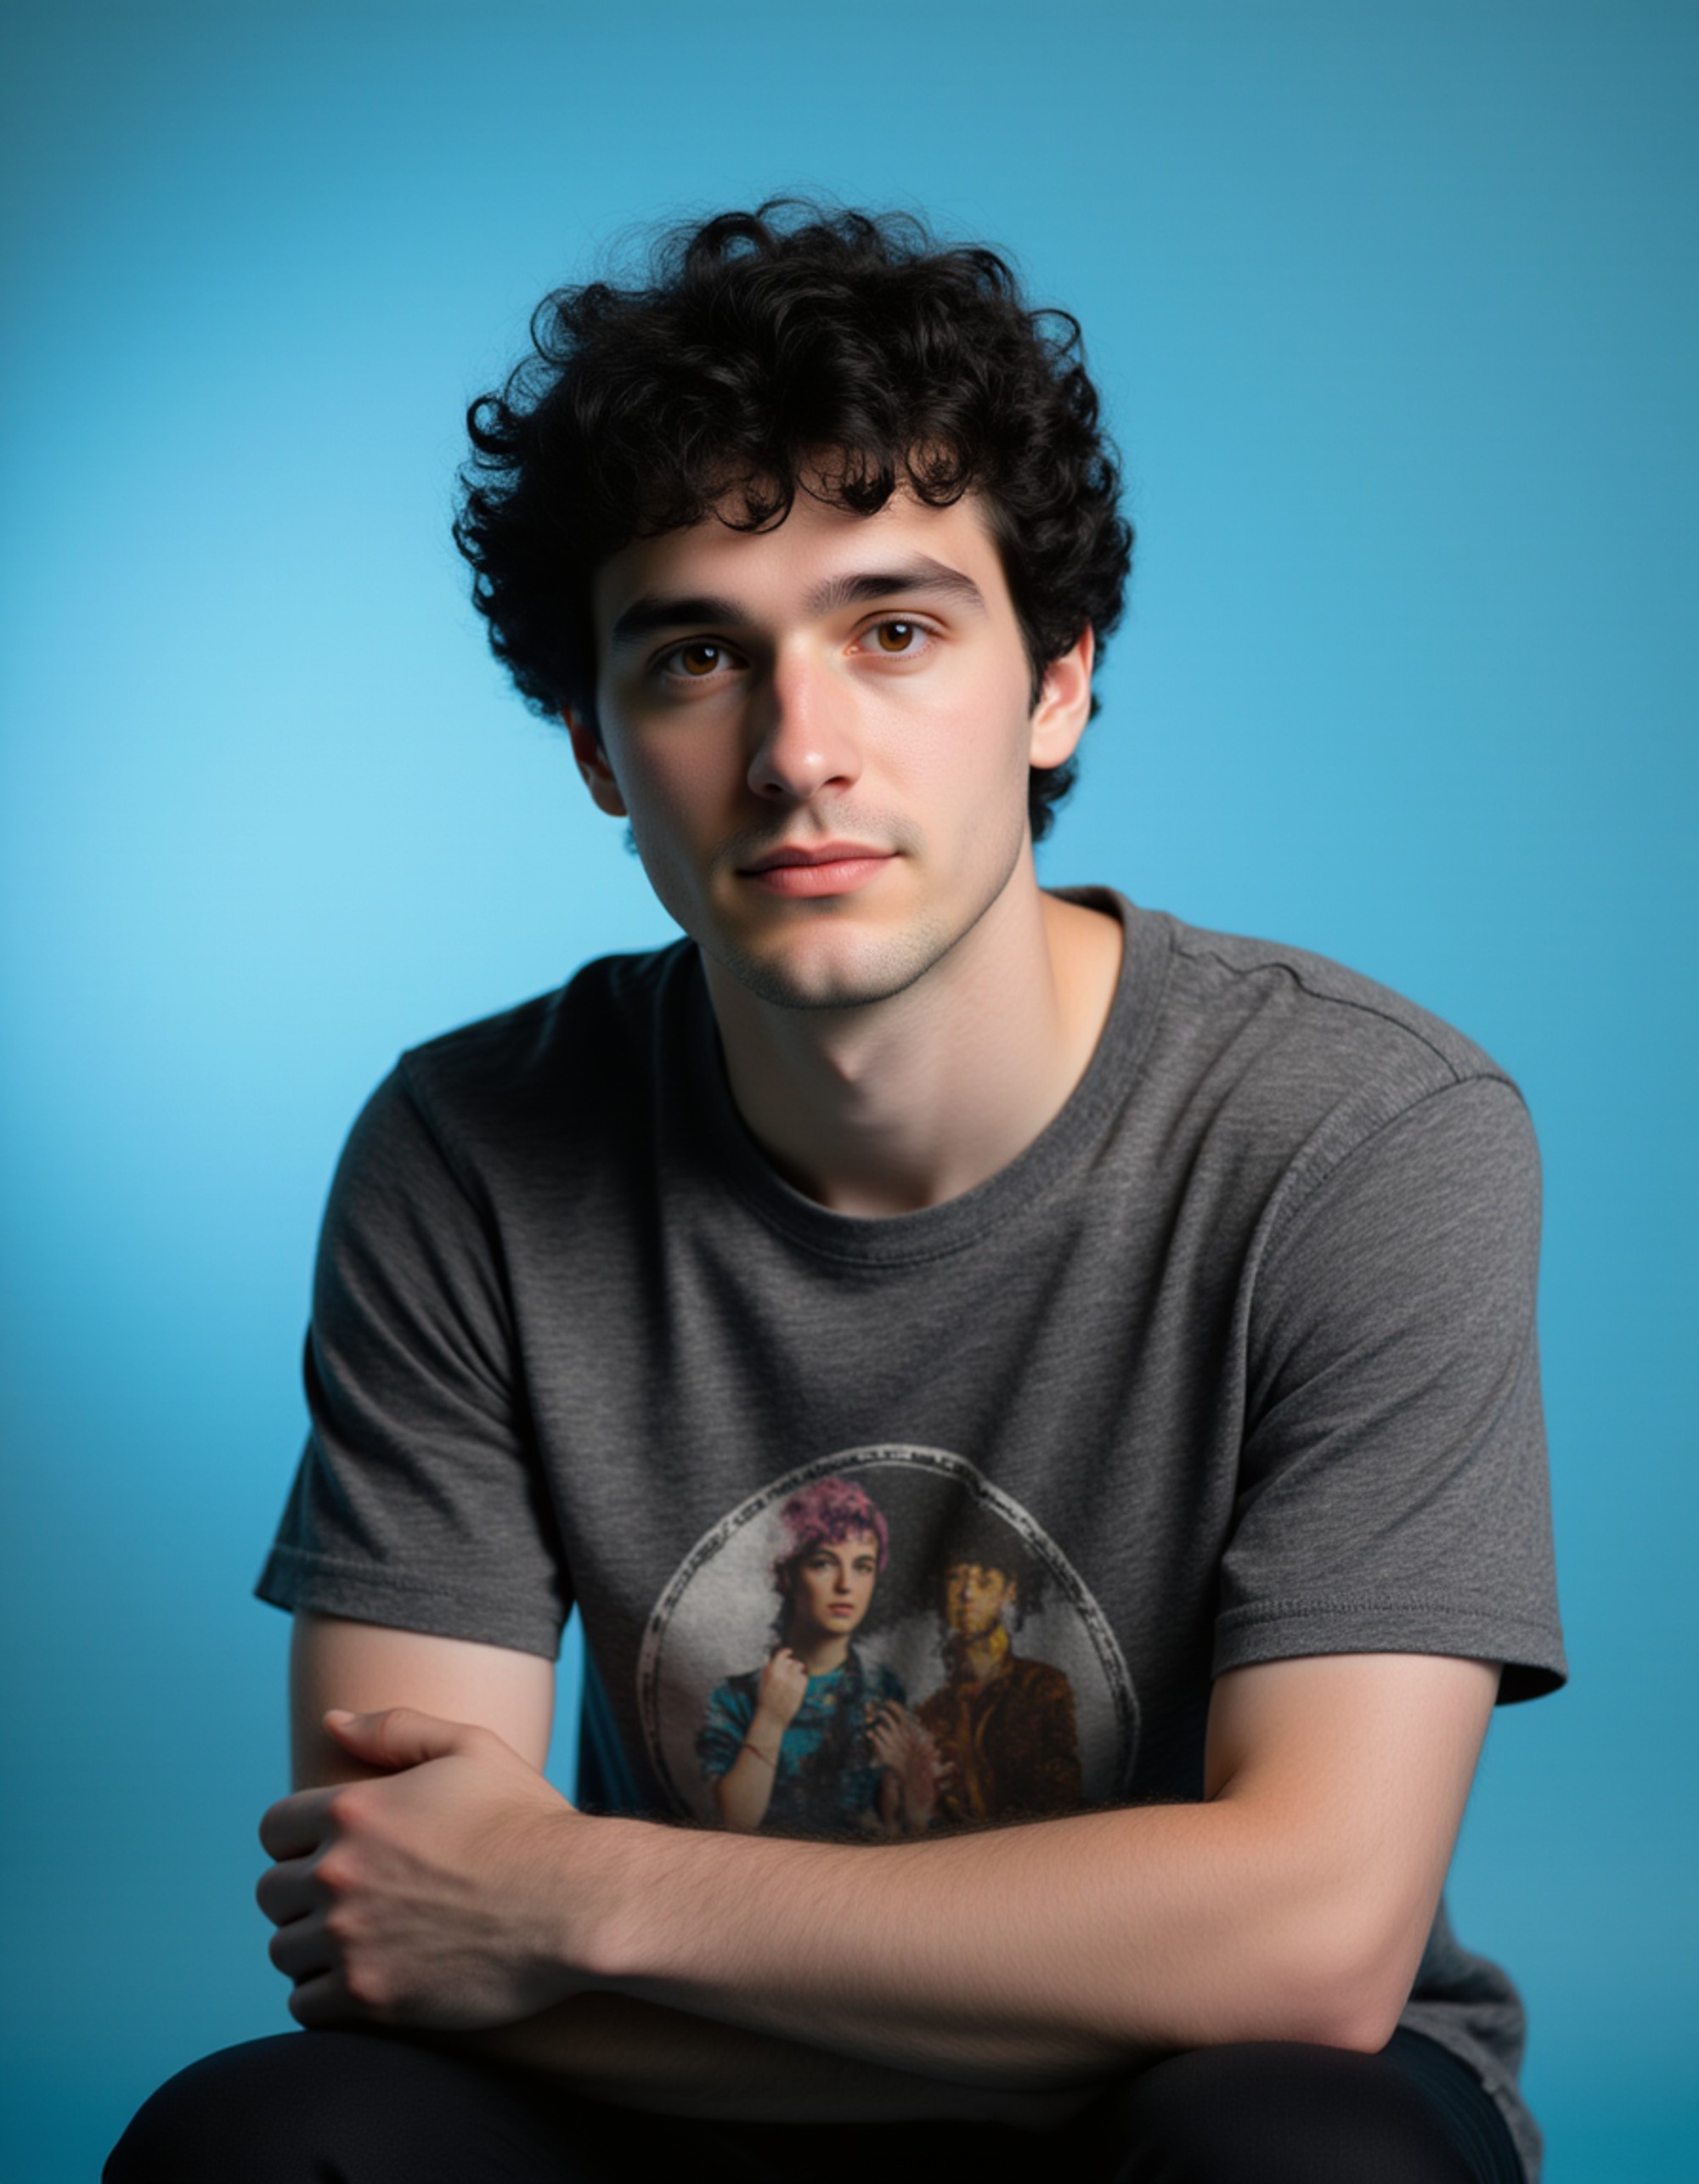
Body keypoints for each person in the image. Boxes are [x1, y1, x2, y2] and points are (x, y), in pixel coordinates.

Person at [107, 200, 1565, 2184]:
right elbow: (398, 1925)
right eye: (699, 652)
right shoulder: (468, 1150)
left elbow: (1308, 1944)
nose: (798, 750)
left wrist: (574, 1897)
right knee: (271, 2144)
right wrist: (1069, 1980)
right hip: (668, 2098)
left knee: (1296, 2152)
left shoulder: (1356, 1130)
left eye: (893, 631)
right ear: (598, 746)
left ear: (1053, 685)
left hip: (1185, 2103)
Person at [698, 1475, 906, 1835]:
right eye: (823, 1563)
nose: (845, 1585)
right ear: (787, 1574)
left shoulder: (884, 1689)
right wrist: (771, 1719)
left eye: (862, 1567)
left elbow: (900, 1824)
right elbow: (735, 1822)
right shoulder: (736, 1698)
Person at [908, 1528, 1082, 1826]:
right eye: (955, 1578)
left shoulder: (1042, 1688)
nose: (967, 1594)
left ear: (1009, 1590)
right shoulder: (932, 1711)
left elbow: (1062, 1797)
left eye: (984, 1581)